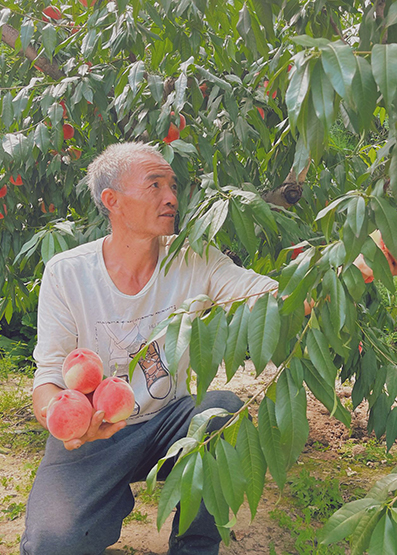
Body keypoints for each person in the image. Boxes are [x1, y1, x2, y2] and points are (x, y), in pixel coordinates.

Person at [20, 142, 283, 555]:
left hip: (167, 423)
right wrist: (64, 420)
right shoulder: (67, 274)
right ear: (112, 201)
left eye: (173, 186)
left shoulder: (194, 260)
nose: (172, 197)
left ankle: (194, 546)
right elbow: (50, 375)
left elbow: (266, 296)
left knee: (221, 412)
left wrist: (347, 271)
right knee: (52, 545)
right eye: (155, 184)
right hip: (95, 434)